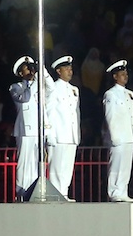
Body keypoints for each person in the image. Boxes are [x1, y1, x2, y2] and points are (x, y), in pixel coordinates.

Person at [9, 55, 52, 200]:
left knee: (36, 162)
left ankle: (34, 191)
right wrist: (35, 82)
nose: (31, 71)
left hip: (39, 129)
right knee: (24, 162)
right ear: (21, 73)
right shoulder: (16, 87)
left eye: (32, 67)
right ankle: (21, 192)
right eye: (27, 68)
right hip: (25, 130)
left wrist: (42, 72)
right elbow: (25, 98)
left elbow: (51, 88)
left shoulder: (39, 84)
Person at [46, 55, 80, 201]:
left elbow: (76, 113)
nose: (70, 71)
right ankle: (55, 193)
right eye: (66, 69)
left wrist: (76, 134)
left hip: (71, 134)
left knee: (67, 167)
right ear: (59, 71)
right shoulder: (53, 88)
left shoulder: (74, 89)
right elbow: (49, 111)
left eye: (71, 69)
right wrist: (50, 133)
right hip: (59, 133)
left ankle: (64, 192)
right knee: (56, 167)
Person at [102, 59, 133, 202]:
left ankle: (123, 191)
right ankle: (114, 192)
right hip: (119, 136)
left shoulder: (129, 93)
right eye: (122, 74)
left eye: (126, 73)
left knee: (126, 166)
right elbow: (110, 116)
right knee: (116, 165)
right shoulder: (111, 94)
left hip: (128, 135)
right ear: (115, 76)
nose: (125, 76)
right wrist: (114, 136)